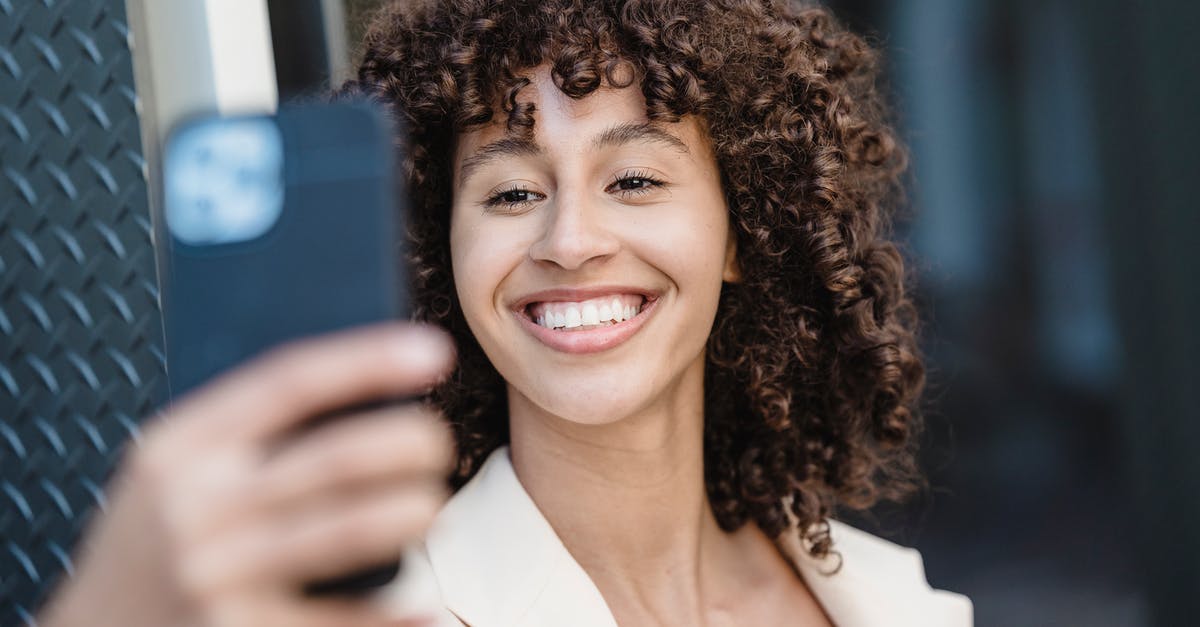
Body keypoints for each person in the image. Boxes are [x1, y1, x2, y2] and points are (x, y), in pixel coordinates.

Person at [40, 0, 972, 625]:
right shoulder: (362, 615)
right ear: (440, 245)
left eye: (635, 178)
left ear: (743, 233)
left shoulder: (899, 605)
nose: (570, 240)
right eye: (512, 194)